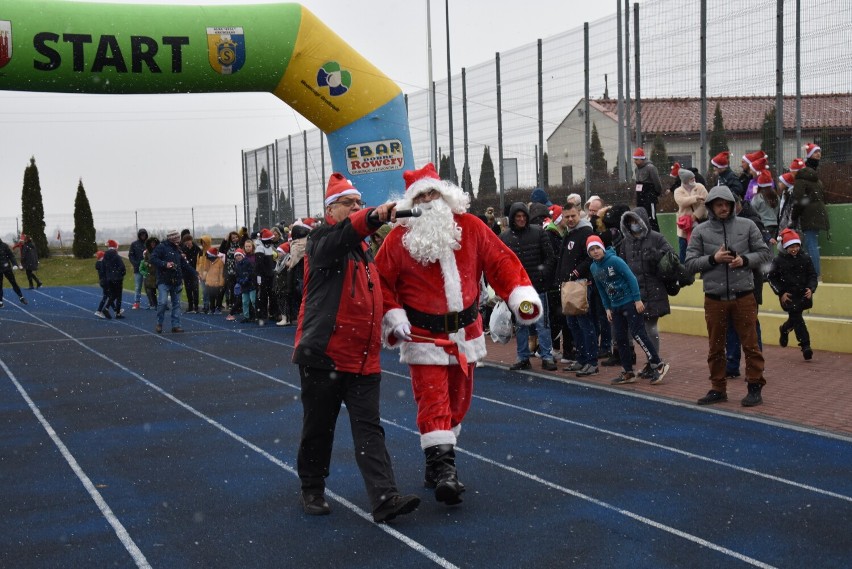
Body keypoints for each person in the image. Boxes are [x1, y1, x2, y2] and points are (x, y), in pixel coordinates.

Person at [375, 163, 541, 507]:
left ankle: (435, 465)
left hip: (466, 335)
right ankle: (446, 472)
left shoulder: (472, 228)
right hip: (423, 338)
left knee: (458, 401)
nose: (428, 200)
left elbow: (501, 263)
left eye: (433, 193)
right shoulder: (396, 240)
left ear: (446, 195)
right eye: (421, 196)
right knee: (433, 400)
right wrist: (393, 315)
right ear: (411, 201)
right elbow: (379, 283)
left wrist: (519, 295)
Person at [292, 172, 420, 523]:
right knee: (319, 426)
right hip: (324, 355)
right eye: (349, 203)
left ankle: (384, 498)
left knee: (369, 430)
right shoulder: (320, 240)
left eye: (359, 203)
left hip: (364, 358)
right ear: (331, 209)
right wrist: (374, 215)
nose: (356, 207)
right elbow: (344, 234)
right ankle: (312, 487)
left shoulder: (365, 249)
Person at [684, 186, 772, 407]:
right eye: (719, 204)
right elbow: (689, 263)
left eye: (727, 204)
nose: (723, 208)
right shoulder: (700, 231)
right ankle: (718, 388)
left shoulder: (748, 225)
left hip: (744, 295)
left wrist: (744, 260)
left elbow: (765, 253)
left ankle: (754, 387)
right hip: (714, 297)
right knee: (715, 347)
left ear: (733, 205)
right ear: (712, 206)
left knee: (751, 345)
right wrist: (713, 259)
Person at [587, 235, 670, 386]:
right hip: (615, 306)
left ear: (602, 248)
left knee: (638, 334)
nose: (595, 251)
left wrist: (637, 299)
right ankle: (628, 372)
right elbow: (601, 288)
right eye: (591, 249)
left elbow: (631, 278)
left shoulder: (615, 261)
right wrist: (607, 308)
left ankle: (658, 364)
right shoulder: (593, 267)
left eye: (597, 248)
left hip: (629, 302)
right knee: (620, 338)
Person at [618, 207, 676, 378]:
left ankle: (654, 362)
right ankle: (651, 360)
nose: (634, 225)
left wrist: (657, 255)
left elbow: (671, 256)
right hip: (634, 291)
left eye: (636, 221)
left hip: (653, 288)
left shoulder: (656, 238)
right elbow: (621, 264)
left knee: (650, 327)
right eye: (630, 222)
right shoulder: (625, 243)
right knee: (636, 330)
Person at [500, 202, 558, 371]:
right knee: (522, 324)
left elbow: (550, 257)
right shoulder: (505, 238)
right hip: (519, 290)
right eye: (518, 217)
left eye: (523, 216)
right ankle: (523, 356)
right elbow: (502, 263)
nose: (521, 219)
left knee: (542, 324)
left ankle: (547, 356)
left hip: (537, 288)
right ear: (512, 218)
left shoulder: (538, 233)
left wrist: (542, 276)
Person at [554, 202, 598, 376]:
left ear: (579, 214)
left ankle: (592, 362)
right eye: (567, 216)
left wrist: (576, 271)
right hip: (568, 286)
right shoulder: (569, 233)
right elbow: (562, 260)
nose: (570, 219)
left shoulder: (586, 233)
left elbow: (592, 257)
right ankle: (580, 359)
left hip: (581, 284)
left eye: (573, 216)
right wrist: (559, 279)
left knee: (585, 324)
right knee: (573, 324)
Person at [767, 229, 818, 361]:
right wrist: (781, 292)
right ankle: (805, 345)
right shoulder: (778, 261)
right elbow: (772, 278)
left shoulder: (805, 258)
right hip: (788, 295)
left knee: (795, 318)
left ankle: (784, 329)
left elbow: (812, 275)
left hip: (803, 293)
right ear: (784, 247)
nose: (794, 249)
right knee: (797, 317)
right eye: (791, 247)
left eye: (796, 246)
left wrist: (811, 288)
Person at [791, 143, 829, 278]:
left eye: (819, 151)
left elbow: (798, 199)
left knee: (810, 243)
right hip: (817, 213)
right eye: (815, 152)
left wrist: (794, 217)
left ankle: (814, 275)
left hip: (809, 214)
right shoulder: (814, 176)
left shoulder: (803, 176)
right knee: (811, 243)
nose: (819, 154)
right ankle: (814, 274)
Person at [150, 229, 197, 334]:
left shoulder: (178, 249)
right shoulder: (161, 247)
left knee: (176, 304)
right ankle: (159, 323)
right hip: (164, 280)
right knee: (162, 303)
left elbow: (184, 264)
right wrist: (165, 264)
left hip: (177, 281)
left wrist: (195, 273)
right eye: (176, 238)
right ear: (171, 238)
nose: (178, 240)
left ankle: (176, 325)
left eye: (178, 238)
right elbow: (153, 259)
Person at [673, 168, 708, 263]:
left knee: (701, 247)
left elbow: (705, 203)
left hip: (700, 222)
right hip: (685, 226)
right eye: (691, 179)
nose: (694, 180)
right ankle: (685, 270)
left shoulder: (700, 187)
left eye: (694, 178)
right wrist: (696, 198)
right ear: (685, 180)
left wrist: (696, 215)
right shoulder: (678, 191)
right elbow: (681, 201)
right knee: (683, 249)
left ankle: (701, 267)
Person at [632, 147, 663, 231]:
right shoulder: (636, 170)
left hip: (649, 197)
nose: (635, 162)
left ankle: (655, 234)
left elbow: (657, 182)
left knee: (651, 218)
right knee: (641, 217)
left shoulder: (651, 168)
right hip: (640, 197)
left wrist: (656, 193)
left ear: (642, 159)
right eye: (634, 159)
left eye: (637, 159)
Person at [750, 169, 780, 245]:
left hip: (763, 225)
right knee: (771, 245)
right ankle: (772, 257)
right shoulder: (776, 196)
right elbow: (777, 210)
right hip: (774, 224)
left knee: (763, 246)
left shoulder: (758, 197)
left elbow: (753, 211)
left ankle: (767, 257)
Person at [234, 242, 257, 323]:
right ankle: (246, 316)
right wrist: (241, 281)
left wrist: (246, 279)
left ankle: (257, 315)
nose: (238, 257)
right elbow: (237, 277)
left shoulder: (247, 262)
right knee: (245, 301)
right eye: (236, 256)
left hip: (251, 284)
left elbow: (251, 273)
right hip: (244, 286)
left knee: (253, 300)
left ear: (242, 255)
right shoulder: (237, 266)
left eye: (239, 255)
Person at [103, 239, 126, 318]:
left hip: (109, 278)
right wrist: (121, 274)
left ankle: (106, 308)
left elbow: (103, 268)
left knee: (113, 295)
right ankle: (117, 313)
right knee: (118, 296)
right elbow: (122, 267)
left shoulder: (105, 256)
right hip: (117, 278)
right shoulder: (117, 256)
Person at [180, 233, 202, 314]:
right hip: (186, 272)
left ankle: (196, 306)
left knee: (195, 290)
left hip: (194, 272)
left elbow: (200, 260)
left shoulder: (197, 249)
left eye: (188, 241)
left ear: (191, 240)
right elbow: (181, 260)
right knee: (188, 290)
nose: (187, 243)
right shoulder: (183, 249)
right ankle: (190, 306)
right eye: (185, 241)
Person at [128, 228, 148, 309]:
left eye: (144, 234)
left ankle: (152, 302)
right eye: (141, 234)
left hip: (147, 269)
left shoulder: (148, 244)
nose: (143, 236)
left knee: (149, 286)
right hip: (138, 269)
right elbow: (131, 255)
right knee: (138, 286)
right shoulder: (134, 244)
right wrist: (136, 264)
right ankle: (137, 302)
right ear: (139, 235)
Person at [203, 246, 226, 314]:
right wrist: (205, 280)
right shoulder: (208, 261)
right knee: (211, 297)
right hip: (209, 282)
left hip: (217, 283)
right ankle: (212, 308)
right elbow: (205, 270)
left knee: (218, 297)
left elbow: (221, 273)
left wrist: (221, 283)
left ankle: (218, 308)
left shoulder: (220, 262)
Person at [93, 250, 112, 318]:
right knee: (108, 296)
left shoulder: (99, 263)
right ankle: (99, 310)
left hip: (102, 281)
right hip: (105, 281)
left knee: (108, 296)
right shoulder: (102, 264)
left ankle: (116, 310)